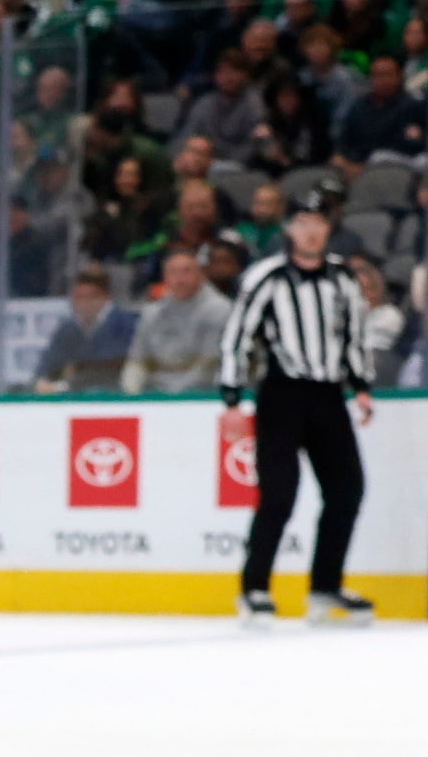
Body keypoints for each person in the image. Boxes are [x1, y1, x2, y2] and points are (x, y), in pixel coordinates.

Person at [220, 180, 376, 624]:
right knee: (279, 494)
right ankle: (254, 588)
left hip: (328, 395)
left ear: (328, 228)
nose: (311, 231)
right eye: (303, 222)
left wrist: (361, 385)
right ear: (290, 228)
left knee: (347, 490)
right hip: (282, 394)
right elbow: (237, 337)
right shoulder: (265, 277)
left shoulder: (343, 278)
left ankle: (325, 587)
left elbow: (353, 336)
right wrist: (231, 398)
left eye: (319, 222)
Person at [122, 248, 231, 392]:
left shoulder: (220, 310)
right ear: (165, 277)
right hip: (155, 393)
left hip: (203, 394)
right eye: (173, 272)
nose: (180, 278)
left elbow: (209, 364)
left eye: (187, 271)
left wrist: (174, 396)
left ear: (201, 275)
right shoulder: (152, 312)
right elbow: (137, 360)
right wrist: (130, 391)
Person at [33, 268, 137, 392]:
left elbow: (109, 371)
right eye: (78, 297)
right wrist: (42, 381)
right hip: (72, 402)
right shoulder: (67, 330)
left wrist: (64, 386)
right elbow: (47, 367)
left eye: (90, 297)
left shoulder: (126, 326)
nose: (83, 303)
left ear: (106, 297)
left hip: (117, 401)